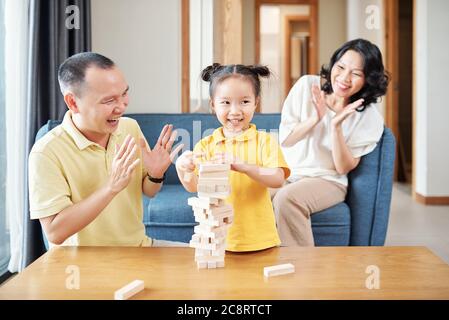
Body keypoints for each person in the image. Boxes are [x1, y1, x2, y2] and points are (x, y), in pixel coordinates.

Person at [29, 52, 184, 247]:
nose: (121, 107)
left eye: (124, 94)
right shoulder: (46, 152)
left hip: (140, 248)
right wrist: (110, 188)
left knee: (209, 268)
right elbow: (55, 232)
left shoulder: (129, 127)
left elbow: (149, 191)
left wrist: (155, 174)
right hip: (84, 265)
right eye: (109, 101)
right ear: (73, 102)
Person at [273, 38, 389, 246]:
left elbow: (343, 167)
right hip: (288, 174)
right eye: (341, 67)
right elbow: (287, 140)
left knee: (286, 199)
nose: (344, 78)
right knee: (246, 193)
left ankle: (302, 272)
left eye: (356, 73)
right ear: (333, 64)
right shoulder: (306, 86)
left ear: (367, 79)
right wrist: (314, 119)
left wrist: (335, 127)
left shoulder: (369, 117)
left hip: (328, 181)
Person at [176, 63, 291, 252]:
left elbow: (277, 178)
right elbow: (195, 186)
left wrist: (245, 167)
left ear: (256, 102)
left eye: (244, 102)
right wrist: (183, 169)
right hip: (218, 240)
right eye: (226, 102)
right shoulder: (206, 145)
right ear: (213, 105)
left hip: (260, 240)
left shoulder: (265, 141)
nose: (235, 111)